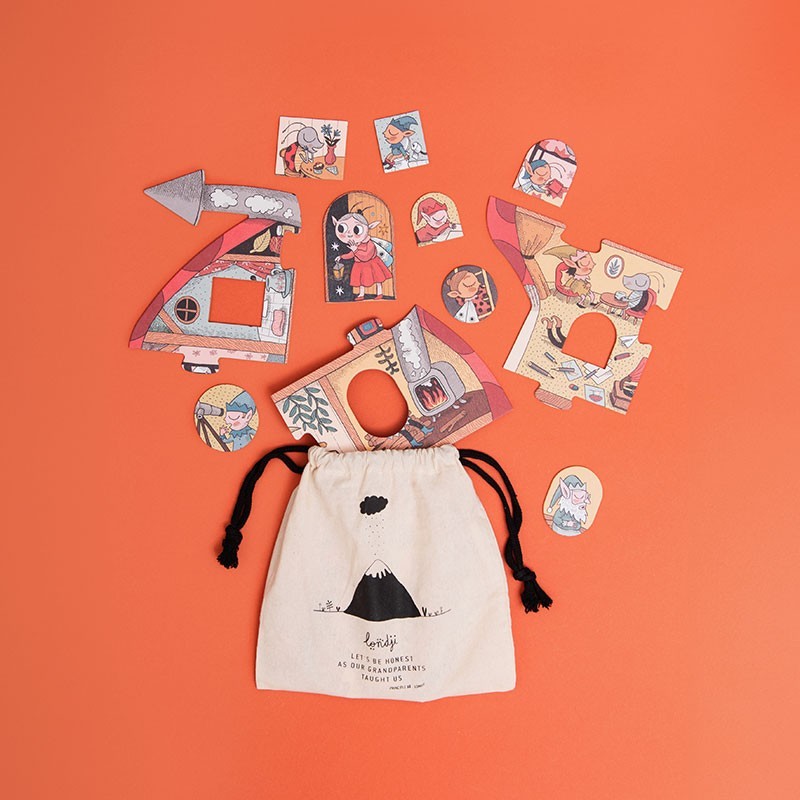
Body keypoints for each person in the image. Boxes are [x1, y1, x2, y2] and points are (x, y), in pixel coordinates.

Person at [332, 212, 393, 300]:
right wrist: (341, 257)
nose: (350, 234)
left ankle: (379, 293)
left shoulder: (370, 244)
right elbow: (352, 254)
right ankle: (361, 295)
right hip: (359, 265)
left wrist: (355, 250)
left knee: (378, 279)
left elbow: (366, 256)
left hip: (372, 264)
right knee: (360, 281)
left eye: (357, 230)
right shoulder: (357, 244)